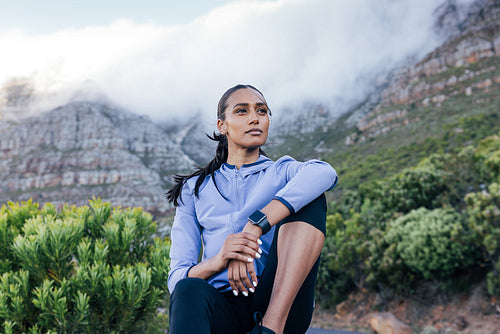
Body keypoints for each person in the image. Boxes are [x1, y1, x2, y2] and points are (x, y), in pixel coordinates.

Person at [166, 84, 338, 334]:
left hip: (279, 304)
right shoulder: (194, 189)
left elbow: (325, 172)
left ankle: (270, 329)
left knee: (310, 197)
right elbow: (176, 279)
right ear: (222, 126)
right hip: (221, 307)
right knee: (188, 288)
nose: (255, 118)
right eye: (241, 111)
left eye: (262, 111)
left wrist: (255, 225)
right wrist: (220, 259)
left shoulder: (283, 172)